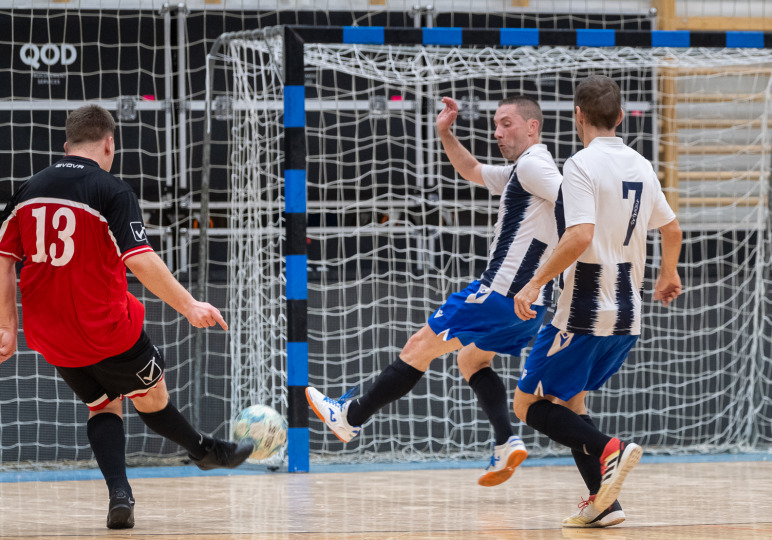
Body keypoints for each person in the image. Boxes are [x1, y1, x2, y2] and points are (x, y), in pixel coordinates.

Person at [0, 105, 253, 529]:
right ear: (108, 144)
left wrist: (7, 325)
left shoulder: (28, 190)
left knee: (102, 404)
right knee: (152, 397)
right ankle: (205, 451)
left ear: (66, 146)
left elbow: (4, 260)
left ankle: (121, 493)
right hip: (106, 330)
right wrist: (190, 305)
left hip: (49, 334)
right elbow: (141, 260)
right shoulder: (111, 190)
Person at [306, 95, 564, 486]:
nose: (497, 132)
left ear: (532, 127)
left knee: (416, 349)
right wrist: (445, 133)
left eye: (507, 123)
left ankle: (350, 417)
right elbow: (472, 169)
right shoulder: (520, 172)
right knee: (471, 362)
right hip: (530, 306)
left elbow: (575, 203)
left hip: (502, 293)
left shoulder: (533, 166)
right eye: (495, 123)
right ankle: (505, 441)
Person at [513, 75, 682, 528]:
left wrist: (533, 284)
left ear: (578, 117)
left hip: (583, 309)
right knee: (570, 401)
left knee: (527, 405)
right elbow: (672, 229)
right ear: (621, 117)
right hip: (628, 313)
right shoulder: (642, 165)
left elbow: (579, 236)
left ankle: (612, 449)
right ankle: (603, 503)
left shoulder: (581, 164)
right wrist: (668, 274)